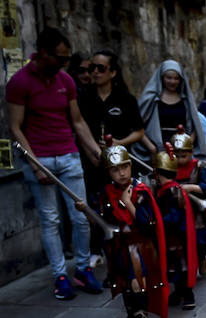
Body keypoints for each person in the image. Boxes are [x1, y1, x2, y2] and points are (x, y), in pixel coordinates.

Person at [6, 26, 104, 300]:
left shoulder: (66, 81)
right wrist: (35, 165)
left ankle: (83, 270)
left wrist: (97, 152)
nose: (64, 64)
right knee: (51, 220)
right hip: (40, 157)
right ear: (43, 53)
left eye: (66, 59)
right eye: (60, 58)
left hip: (69, 155)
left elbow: (77, 121)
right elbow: (15, 128)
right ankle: (60, 276)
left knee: (81, 216)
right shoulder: (20, 82)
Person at [77, 49, 145, 265]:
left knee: (121, 203)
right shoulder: (83, 98)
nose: (95, 72)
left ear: (113, 72)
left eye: (100, 68)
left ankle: (125, 247)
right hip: (92, 162)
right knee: (96, 204)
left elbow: (139, 131)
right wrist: (93, 151)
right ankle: (97, 249)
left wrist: (119, 143)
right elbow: (78, 128)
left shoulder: (125, 99)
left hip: (120, 163)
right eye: (91, 68)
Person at [98, 143, 168, 318]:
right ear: (109, 172)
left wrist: (128, 203)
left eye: (124, 167)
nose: (121, 173)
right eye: (115, 169)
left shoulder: (141, 191)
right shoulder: (106, 192)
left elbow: (147, 224)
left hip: (139, 245)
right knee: (123, 283)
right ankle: (131, 316)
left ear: (130, 167)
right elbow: (105, 219)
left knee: (138, 282)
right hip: (120, 246)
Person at [150, 145, 198, 312]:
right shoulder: (168, 189)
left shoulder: (172, 192)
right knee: (174, 267)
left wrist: (157, 221)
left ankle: (188, 295)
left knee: (181, 266)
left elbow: (174, 216)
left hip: (177, 236)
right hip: (173, 235)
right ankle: (178, 293)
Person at [137, 60, 206, 162]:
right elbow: (137, 125)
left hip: (181, 153)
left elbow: (196, 124)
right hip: (159, 151)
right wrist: (151, 147)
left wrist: (188, 142)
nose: (172, 82)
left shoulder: (186, 101)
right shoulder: (152, 99)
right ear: (162, 77)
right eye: (168, 78)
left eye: (176, 78)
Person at [173, 130, 206, 278]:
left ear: (191, 152)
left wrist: (189, 188)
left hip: (197, 210)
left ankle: (201, 258)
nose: (180, 160)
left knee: (200, 240)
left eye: (183, 156)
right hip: (179, 210)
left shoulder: (200, 167)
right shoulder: (170, 168)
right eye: (176, 156)